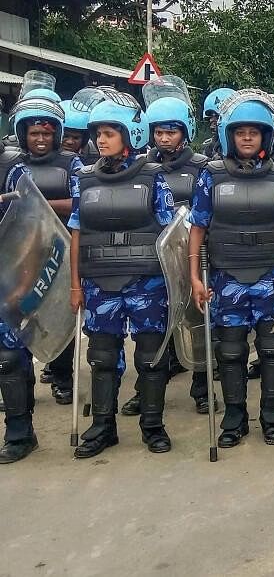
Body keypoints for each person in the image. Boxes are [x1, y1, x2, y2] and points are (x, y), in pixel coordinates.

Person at [69, 92, 177, 457]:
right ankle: (102, 427)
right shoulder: (82, 179)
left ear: (130, 134)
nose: (101, 139)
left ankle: (152, 426)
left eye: (110, 132)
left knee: (150, 357)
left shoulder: (153, 177)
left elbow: (170, 231)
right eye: (98, 133)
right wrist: (74, 285)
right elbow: (76, 233)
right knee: (101, 357)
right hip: (99, 282)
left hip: (146, 281)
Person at [188, 91, 274, 448]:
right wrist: (193, 276)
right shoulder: (212, 177)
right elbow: (198, 228)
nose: (247, 137)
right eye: (240, 132)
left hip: (270, 277)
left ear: (266, 136)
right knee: (230, 351)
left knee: (272, 349)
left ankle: (271, 417)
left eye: (254, 131)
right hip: (226, 277)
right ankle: (234, 418)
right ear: (229, 136)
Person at [122, 82, 214, 416]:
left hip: (194, 253)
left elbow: (208, 212)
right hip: (155, 259)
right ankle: (143, 390)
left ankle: (202, 388)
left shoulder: (203, 167)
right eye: (159, 132)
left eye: (171, 132)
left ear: (185, 132)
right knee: (155, 329)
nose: (164, 138)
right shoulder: (143, 168)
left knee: (198, 321)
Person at [17, 88, 82, 406]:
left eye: (46, 132)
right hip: (21, 253)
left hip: (59, 250)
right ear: (23, 134)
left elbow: (81, 201)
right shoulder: (13, 164)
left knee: (58, 315)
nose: (40, 138)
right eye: (33, 132)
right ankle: (22, 380)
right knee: (22, 316)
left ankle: (61, 377)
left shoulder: (71, 163)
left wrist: (41, 204)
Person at [0, 101, 38, 463]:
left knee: (9, 357)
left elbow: (30, 221)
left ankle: (20, 433)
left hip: (8, 270)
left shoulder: (14, 167)